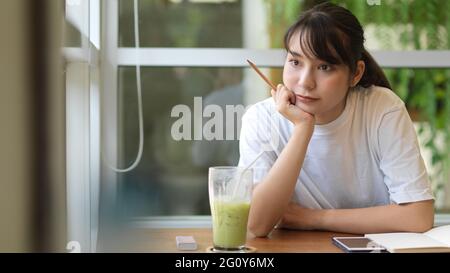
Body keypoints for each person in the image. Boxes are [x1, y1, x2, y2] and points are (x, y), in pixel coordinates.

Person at [238, 2, 434, 237]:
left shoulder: (382, 109)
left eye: (324, 66)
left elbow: (418, 217)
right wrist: (302, 129)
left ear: (356, 73)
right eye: (295, 62)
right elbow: (255, 225)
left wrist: (313, 218)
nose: (304, 82)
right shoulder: (261, 118)